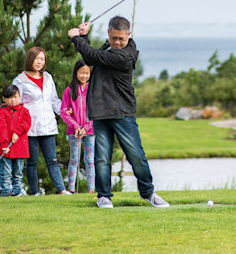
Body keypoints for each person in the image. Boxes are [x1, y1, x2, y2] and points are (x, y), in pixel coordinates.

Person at [67, 16, 169, 209]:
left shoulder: (127, 55)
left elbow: (95, 57)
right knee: (102, 158)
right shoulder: (109, 48)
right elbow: (92, 57)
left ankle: (148, 193)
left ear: (128, 36)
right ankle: (104, 196)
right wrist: (85, 37)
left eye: (121, 38)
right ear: (108, 33)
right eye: (114, 38)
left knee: (136, 156)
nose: (117, 42)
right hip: (101, 113)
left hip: (122, 112)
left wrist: (76, 38)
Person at [13, 47, 68, 195]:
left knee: (53, 160)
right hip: (29, 128)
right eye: (37, 58)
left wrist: (66, 113)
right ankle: (35, 193)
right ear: (30, 59)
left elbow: (54, 101)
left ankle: (62, 190)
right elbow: (16, 105)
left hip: (48, 125)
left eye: (42, 59)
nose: (39, 62)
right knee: (32, 163)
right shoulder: (20, 80)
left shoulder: (48, 78)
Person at [60, 59, 95, 194]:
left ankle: (91, 189)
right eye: (81, 73)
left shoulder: (92, 91)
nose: (84, 76)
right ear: (76, 73)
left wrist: (86, 127)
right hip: (74, 132)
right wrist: (75, 126)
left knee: (90, 160)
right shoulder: (68, 91)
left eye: (87, 73)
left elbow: (96, 112)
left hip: (90, 131)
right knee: (74, 159)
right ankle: (71, 189)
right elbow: (63, 112)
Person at [0, 84, 32, 197]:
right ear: (4, 99)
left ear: (19, 97)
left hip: (20, 148)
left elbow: (26, 124)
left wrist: (17, 132)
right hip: (5, 149)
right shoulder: (2, 113)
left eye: (15, 97)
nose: (13, 100)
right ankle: (6, 192)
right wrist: (5, 145)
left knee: (18, 172)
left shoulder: (24, 111)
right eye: (10, 98)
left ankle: (17, 192)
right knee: (6, 173)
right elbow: (2, 131)